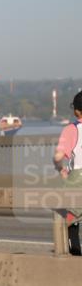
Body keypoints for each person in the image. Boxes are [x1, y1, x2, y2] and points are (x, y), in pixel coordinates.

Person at [54, 90, 82, 256]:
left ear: (76, 110)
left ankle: (75, 245)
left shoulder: (71, 130)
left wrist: (62, 170)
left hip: (78, 175)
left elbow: (58, 157)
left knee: (71, 211)